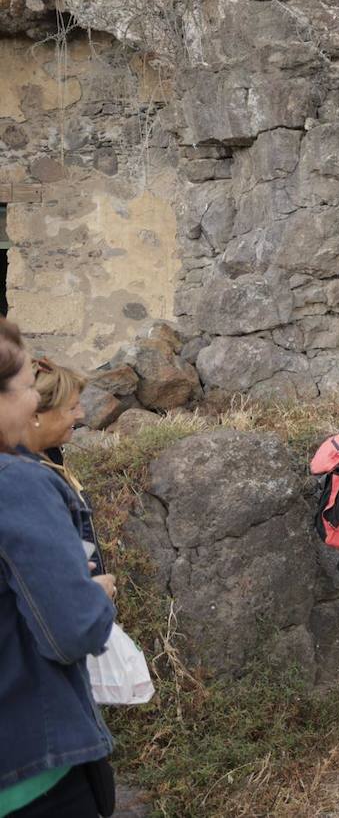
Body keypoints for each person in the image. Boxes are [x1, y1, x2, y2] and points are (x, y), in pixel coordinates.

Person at [0, 320, 119, 816]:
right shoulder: (17, 485)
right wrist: (97, 594)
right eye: (29, 388)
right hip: (32, 770)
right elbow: (71, 630)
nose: (34, 401)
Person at [20, 359, 105, 578]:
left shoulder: (50, 455)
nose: (81, 415)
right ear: (36, 415)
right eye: (72, 407)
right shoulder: (23, 483)